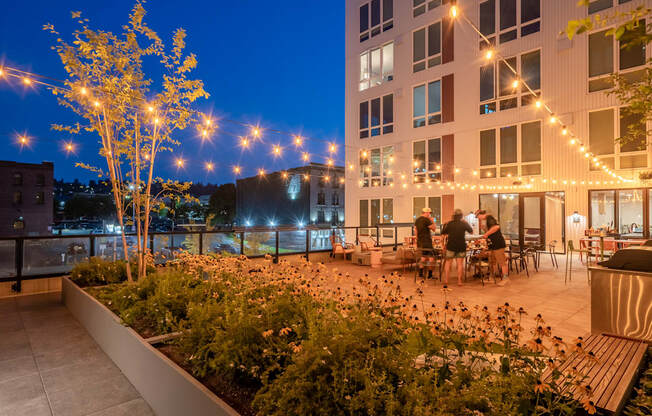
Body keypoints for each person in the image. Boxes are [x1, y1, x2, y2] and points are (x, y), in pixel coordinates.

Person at [442, 209, 473, 286]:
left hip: (450, 246)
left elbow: (443, 233)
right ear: (461, 216)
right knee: (460, 264)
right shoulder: (464, 223)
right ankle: (459, 281)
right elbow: (471, 232)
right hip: (461, 246)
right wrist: (466, 223)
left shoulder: (450, 223)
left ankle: (446, 280)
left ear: (453, 216)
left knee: (448, 263)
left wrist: (446, 225)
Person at [482, 214, 509, 285]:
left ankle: (506, 278)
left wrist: (486, 234)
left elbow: (496, 227)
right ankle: (492, 277)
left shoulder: (492, 222)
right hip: (493, 246)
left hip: (498, 245)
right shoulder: (488, 224)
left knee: (502, 262)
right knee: (492, 262)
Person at [414, 207, 437, 278]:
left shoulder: (417, 220)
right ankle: (430, 275)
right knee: (431, 257)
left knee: (423, 257)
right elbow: (434, 229)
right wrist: (432, 221)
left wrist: (417, 239)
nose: (429, 215)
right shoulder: (427, 220)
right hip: (427, 241)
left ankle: (420, 273)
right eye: (429, 213)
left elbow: (415, 230)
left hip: (420, 242)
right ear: (426, 213)